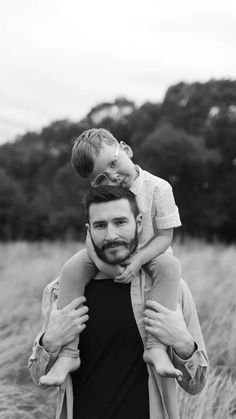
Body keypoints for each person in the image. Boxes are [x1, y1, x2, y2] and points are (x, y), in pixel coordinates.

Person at [28, 186, 208, 419]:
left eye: (120, 222)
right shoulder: (59, 292)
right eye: (100, 225)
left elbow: (196, 386)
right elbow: (39, 379)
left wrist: (183, 343)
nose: (111, 235)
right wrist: (50, 341)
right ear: (89, 230)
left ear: (139, 223)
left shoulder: (171, 289)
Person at [39, 128, 183, 387]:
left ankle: (156, 347)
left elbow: (164, 237)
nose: (114, 177)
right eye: (102, 177)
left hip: (152, 254)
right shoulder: (105, 197)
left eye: (114, 164)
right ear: (93, 183)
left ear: (126, 150)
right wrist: (107, 266)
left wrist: (138, 260)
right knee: (72, 267)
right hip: (108, 256)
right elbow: (90, 239)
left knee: (170, 265)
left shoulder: (159, 187)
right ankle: (69, 354)